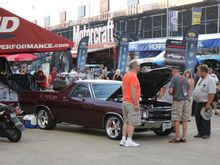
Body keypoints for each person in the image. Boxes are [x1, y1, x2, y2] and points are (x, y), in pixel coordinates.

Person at [120, 60, 141, 147]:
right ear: (135, 67)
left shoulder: (126, 75)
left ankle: (123, 139)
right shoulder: (133, 76)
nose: (139, 67)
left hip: (125, 101)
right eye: (139, 66)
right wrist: (135, 103)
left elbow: (122, 87)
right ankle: (129, 140)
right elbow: (133, 90)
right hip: (131, 102)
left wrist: (125, 96)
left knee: (126, 122)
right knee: (132, 122)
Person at [193, 65, 216, 139]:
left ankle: (206, 133)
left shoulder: (211, 80)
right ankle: (200, 132)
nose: (198, 73)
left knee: (205, 118)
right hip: (198, 102)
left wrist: (208, 103)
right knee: (198, 118)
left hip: (205, 102)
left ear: (203, 71)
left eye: (199, 71)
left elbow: (212, 93)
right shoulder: (201, 78)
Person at [169, 68, 190, 143]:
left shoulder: (173, 79)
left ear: (173, 72)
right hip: (186, 101)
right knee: (184, 120)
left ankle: (177, 138)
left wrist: (170, 92)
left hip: (177, 101)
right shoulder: (185, 79)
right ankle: (184, 138)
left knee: (176, 119)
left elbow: (171, 91)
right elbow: (188, 90)